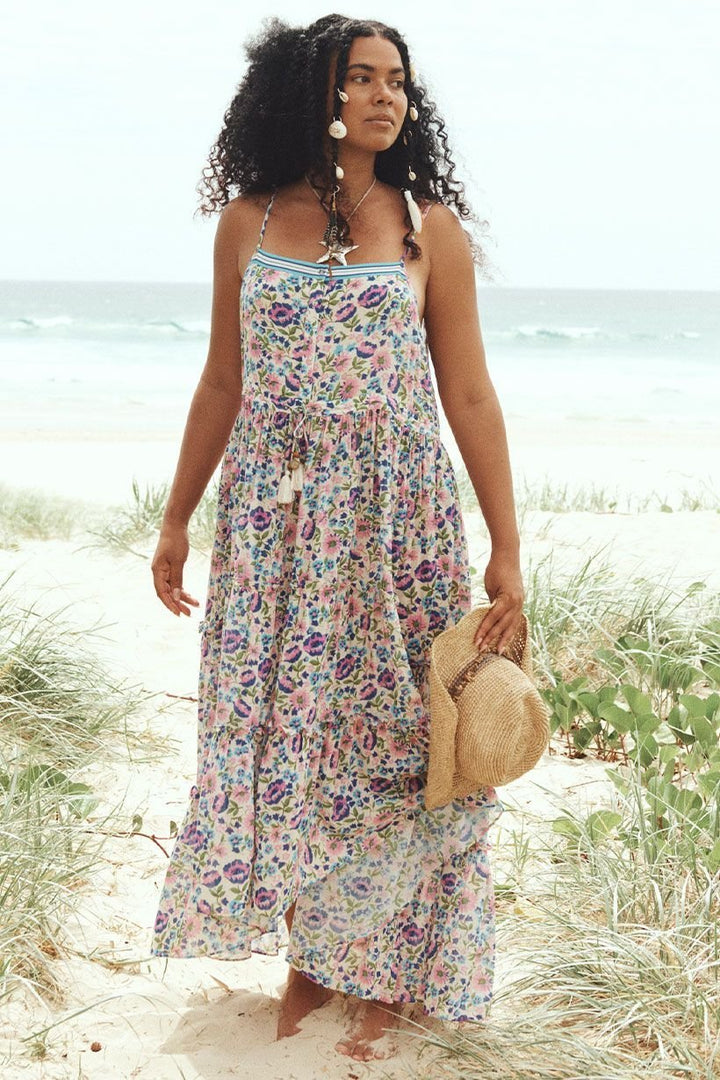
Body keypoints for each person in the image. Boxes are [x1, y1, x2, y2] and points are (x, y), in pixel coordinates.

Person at [149, 13, 524, 1064]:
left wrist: (506, 546)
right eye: (359, 77)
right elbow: (222, 381)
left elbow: (470, 394)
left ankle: (383, 976)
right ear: (308, 94)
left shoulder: (427, 229)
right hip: (273, 529)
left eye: (395, 80)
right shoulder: (250, 223)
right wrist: (177, 516)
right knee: (286, 738)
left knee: (398, 741)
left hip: (396, 524)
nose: (383, 96)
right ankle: (313, 963)